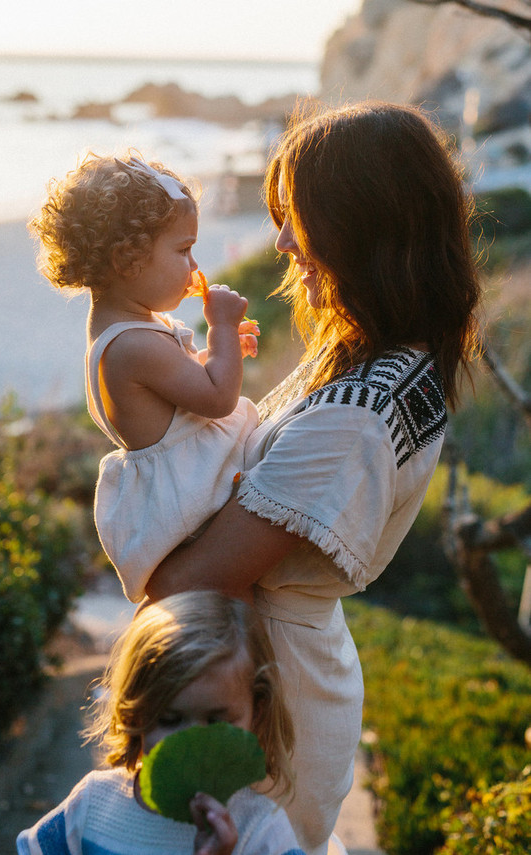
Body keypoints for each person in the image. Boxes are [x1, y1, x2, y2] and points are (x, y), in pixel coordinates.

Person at [141, 101, 483, 854]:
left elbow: (185, 589)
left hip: (266, 699)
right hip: (261, 673)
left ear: (366, 222)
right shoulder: (378, 357)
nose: (283, 241)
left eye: (301, 216)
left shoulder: (359, 410)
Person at [28, 153, 259, 602]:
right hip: (191, 501)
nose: (195, 267)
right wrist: (224, 329)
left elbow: (185, 387)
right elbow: (216, 400)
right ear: (127, 258)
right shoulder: (134, 345)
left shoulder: (131, 330)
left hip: (192, 482)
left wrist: (219, 352)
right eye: (182, 250)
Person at [16, 591, 305, 855]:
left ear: (257, 713)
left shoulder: (260, 831)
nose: (191, 745)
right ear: (135, 713)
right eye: (169, 719)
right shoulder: (93, 806)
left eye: (216, 721)